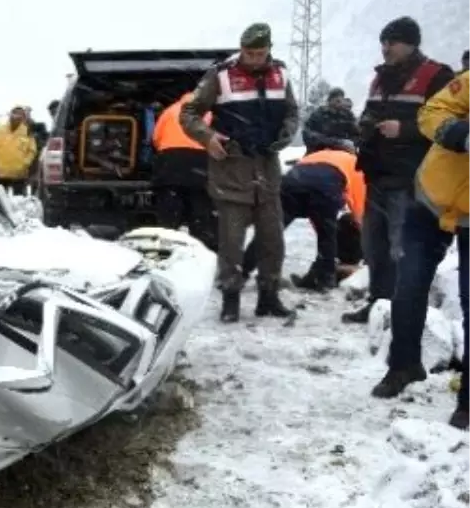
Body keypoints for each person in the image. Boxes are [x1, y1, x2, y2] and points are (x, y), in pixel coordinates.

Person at [180, 23, 300, 323]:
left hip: (268, 173)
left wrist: (286, 132)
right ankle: (230, 300)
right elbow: (189, 112)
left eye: (260, 53)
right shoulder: (220, 75)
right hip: (232, 171)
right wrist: (207, 138)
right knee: (231, 244)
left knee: (273, 241)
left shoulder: (281, 73)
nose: (254, 58)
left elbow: (291, 111)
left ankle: (269, 297)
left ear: (269, 49)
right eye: (249, 52)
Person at [371, 68, 470, 430]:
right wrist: (461, 134)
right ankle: (404, 366)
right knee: (409, 285)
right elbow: (431, 112)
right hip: (431, 201)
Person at [343, 16, 455, 324]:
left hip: (412, 178)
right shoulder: (381, 78)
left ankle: (402, 314)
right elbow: (370, 111)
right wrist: (363, 126)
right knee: (374, 246)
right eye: (383, 42)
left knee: (403, 249)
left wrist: (404, 129)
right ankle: (378, 305)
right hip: (378, 174)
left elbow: (446, 124)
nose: (385, 48)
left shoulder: (437, 76)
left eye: (391, 42)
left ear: (410, 43)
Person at [242, 148, 364, 291]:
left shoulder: (317, 155)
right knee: (327, 237)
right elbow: (359, 210)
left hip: (292, 183)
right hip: (325, 185)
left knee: (270, 232)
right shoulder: (357, 165)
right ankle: (325, 279)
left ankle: (242, 270)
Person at [152, 91, 216, 251]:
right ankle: (203, 244)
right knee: (200, 206)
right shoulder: (208, 112)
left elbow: (156, 138)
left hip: (170, 162)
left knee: (169, 209)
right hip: (199, 163)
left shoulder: (170, 110)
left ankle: (165, 244)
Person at [0, 106, 38, 194]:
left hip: (19, 174)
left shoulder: (27, 132)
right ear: (10, 115)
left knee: (19, 201)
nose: (17, 117)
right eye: (15, 114)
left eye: (20, 115)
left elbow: (32, 150)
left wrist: (25, 163)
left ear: (23, 117)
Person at [302, 87, 358, 154]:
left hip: (343, 155)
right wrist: (337, 143)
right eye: (335, 98)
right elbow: (307, 134)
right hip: (319, 153)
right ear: (329, 100)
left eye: (340, 98)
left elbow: (357, 135)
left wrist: (351, 143)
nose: (338, 100)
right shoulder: (318, 114)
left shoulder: (348, 116)